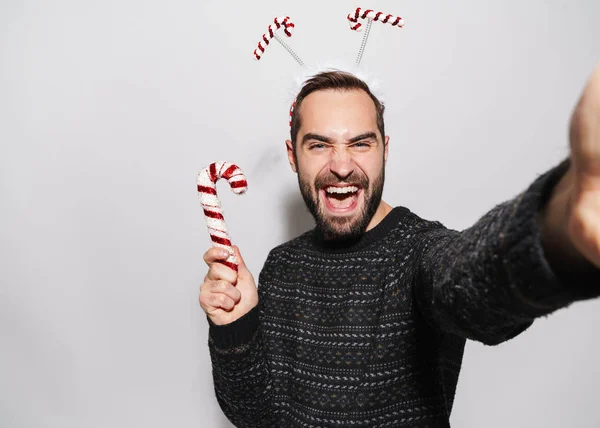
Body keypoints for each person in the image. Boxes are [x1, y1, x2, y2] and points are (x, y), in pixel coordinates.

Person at [199, 68, 600, 427]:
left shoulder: (419, 252)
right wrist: (237, 326)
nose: (341, 165)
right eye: (319, 145)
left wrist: (559, 223)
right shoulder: (282, 265)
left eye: (360, 143)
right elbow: (256, 415)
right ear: (293, 156)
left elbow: (468, 285)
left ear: (385, 149)